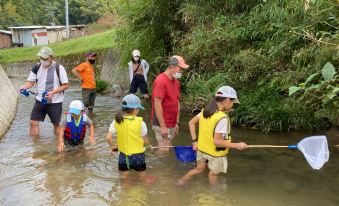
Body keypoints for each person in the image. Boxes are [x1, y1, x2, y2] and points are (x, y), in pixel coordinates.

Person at [176, 86, 248, 186]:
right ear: (227, 100)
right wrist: (237, 145)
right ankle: (213, 194)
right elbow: (217, 141)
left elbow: (191, 123)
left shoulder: (205, 111)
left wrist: (195, 141)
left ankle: (181, 181)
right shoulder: (222, 118)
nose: (232, 105)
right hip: (215, 154)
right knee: (213, 174)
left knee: (198, 169)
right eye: (232, 102)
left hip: (202, 150)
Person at [19, 47, 69, 137]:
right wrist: (24, 86)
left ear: (51, 57)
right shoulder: (36, 67)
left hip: (55, 102)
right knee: (33, 122)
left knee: (56, 125)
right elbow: (30, 82)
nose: (43, 60)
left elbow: (66, 85)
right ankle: (36, 148)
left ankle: (59, 143)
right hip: (39, 101)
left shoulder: (59, 68)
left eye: (45, 58)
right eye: (41, 58)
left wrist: (53, 92)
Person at [106, 94, 152, 179]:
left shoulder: (116, 120)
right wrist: (149, 146)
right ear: (136, 109)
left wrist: (113, 146)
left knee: (124, 180)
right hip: (138, 157)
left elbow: (108, 137)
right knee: (142, 177)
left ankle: (125, 192)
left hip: (123, 157)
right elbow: (144, 139)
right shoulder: (141, 123)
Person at [151, 55, 189, 150]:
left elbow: (177, 103)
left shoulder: (176, 82)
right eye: (180, 69)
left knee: (167, 150)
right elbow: (157, 104)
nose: (181, 72)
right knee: (164, 152)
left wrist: (177, 122)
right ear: (171, 67)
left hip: (172, 123)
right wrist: (163, 126)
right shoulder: (160, 81)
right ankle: (157, 165)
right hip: (161, 123)